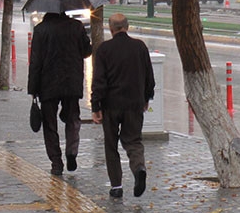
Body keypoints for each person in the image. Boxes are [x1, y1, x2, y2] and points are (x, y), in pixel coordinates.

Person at [91, 13, 155, 198]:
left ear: (111, 29)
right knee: (133, 141)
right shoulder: (140, 47)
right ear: (127, 27)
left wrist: (96, 107)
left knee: (111, 145)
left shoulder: (104, 49)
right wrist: (146, 98)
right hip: (134, 103)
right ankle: (139, 168)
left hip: (111, 105)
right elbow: (149, 77)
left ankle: (116, 186)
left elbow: (99, 81)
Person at [28, 12, 92, 176]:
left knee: (50, 124)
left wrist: (33, 89)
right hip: (72, 81)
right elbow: (87, 51)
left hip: (47, 84)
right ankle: (71, 152)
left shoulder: (41, 30)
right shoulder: (76, 27)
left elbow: (35, 61)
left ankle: (56, 163)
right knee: (72, 118)